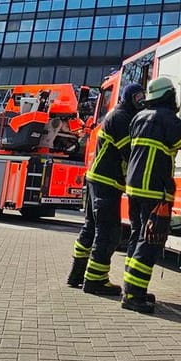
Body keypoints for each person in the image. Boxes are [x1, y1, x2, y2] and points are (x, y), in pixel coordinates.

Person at [121, 76, 181, 314]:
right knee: (151, 240)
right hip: (155, 190)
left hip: (134, 189)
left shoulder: (137, 118)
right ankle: (134, 295)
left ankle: (131, 288)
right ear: (169, 96)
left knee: (137, 235)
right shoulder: (171, 121)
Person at [68, 83, 145, 296]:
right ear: (130, 98)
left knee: (91, 228)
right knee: (109, 231)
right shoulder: (121, 118)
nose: (141, 102)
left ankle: (76, 275)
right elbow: (131, 153)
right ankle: (95, 281)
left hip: (98, 180)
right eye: (139, 98)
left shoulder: (117, 115)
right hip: (106, 182)